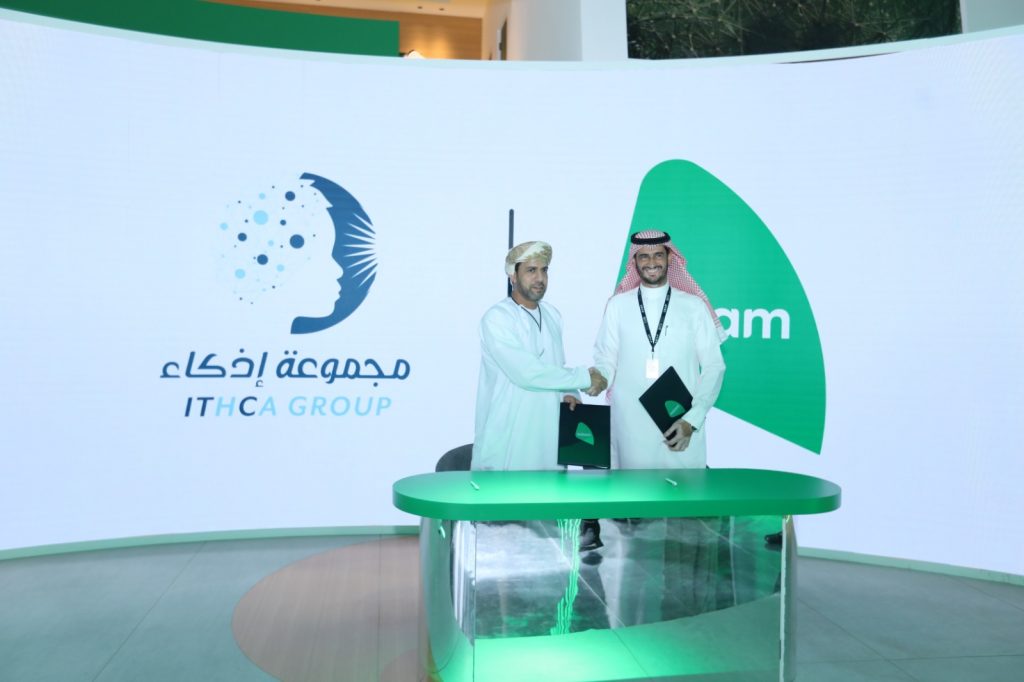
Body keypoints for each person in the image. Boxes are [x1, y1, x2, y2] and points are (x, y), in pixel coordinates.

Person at [592, 230, 726, 469]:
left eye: (658, 255)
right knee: (634, 491)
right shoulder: (617, 306)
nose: (651, 262)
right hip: (630, 425)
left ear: (670, 258)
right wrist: (598, 379)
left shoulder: (693, 306)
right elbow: (606, 359)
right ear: (634, 260)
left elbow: (714, 366)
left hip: (680, 423)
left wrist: (692, 419)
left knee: (685, 491)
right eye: (644, 256)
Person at [472, 241, 607, 471]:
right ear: (513, 276)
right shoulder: (497, 318)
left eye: (544, 270)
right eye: (531, 270)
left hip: (549, 439)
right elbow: (527, 373)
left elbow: (556, 366)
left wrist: (569, 393)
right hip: (509, 442)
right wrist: (585, 378)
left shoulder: (553, 315)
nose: (540, 278)